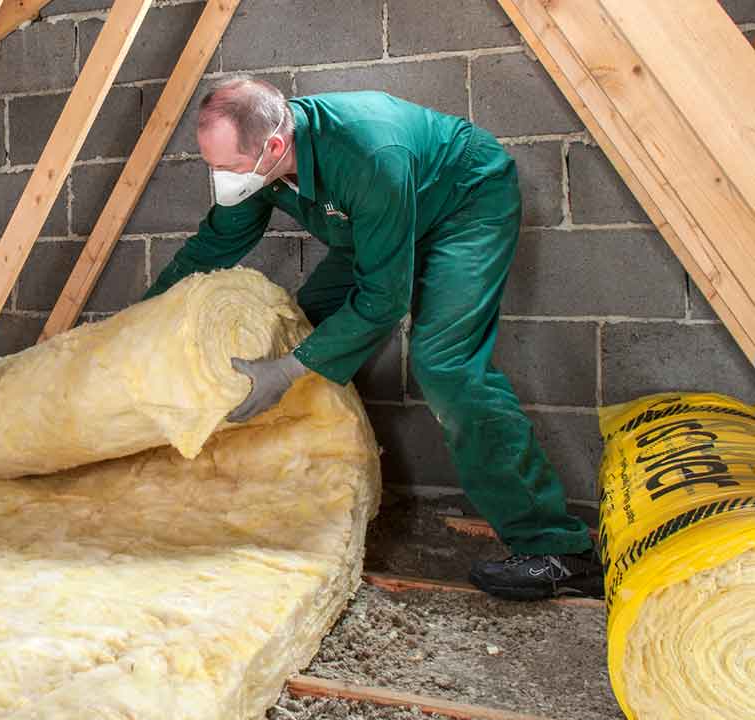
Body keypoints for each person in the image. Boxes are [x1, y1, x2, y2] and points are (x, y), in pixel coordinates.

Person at [148, 75, 599, 600]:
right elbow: (217, 241)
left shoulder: (367, 151)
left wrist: (291, 370)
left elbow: (383, 301)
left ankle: (558, 549)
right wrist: (143, 317)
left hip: (461, 205)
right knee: (302, 327)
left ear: (273, 146)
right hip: (381, 218)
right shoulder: (263, 161)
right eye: (213, 166)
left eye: (225, 167)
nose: (221, 178)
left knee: (444, 364)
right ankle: (300, 492)